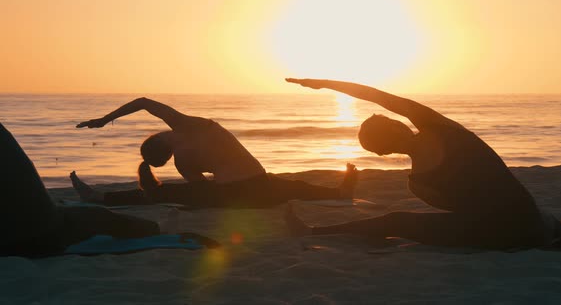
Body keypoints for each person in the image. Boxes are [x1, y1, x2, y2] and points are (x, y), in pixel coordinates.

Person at [284, 78, 561, 251]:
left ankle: (312, 233)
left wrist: (323, 84)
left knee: (395, 220)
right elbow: (380, 97)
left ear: (383, 153)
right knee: (512, 199)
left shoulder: (417, 183)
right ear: (396, 126)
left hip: (494, 235)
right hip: (529, 224)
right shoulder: (443, 128)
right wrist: (325, 83)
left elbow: (459, 208)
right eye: (390, 121)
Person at [72, 97, 357, 208]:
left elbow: (202, 191)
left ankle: (102, 197)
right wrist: (104, 119)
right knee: (292, 186)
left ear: (164, 157)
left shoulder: (183, 161)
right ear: (156, 136)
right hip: (259, 186)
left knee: (172, 192)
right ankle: (338, 193)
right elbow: (145, 102)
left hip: (239, 197)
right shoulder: (185, 125)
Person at [0, 122, 170, 258]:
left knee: (95, 215)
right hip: (36, 235)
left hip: (25, 236)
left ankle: (101, 203)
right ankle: (150, 227)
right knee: (97, 216)